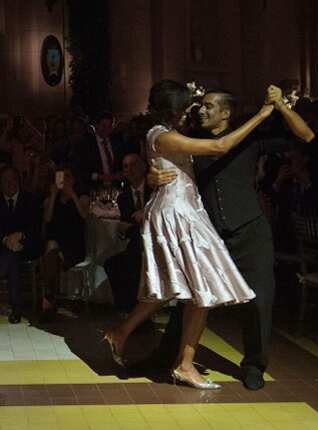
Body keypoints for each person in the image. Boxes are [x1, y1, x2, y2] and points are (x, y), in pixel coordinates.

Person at [102, 80, 277, 390]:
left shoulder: (166, 132)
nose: (192, 112)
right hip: (178, 214)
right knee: (199, 289)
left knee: (177, 289)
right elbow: (219, 146)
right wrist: (262, 114)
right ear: (173, 111)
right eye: (187, 108)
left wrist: (154, 173)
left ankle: (128, 336)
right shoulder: (164, 135)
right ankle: (180, 363)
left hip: (183, 210)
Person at [146, 86, 316, 390]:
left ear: (226, 112)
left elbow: (306, 137)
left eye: (209, 106)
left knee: (259, 300)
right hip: (209, 233)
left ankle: (254, 366)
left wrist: (281, 107)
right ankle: (166, 356)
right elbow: (162, 163)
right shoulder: (193, 141)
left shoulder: (249, 137)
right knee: (192, 297)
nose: (201, 110)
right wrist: (152, 176)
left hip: (250, 230)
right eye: (200, 106)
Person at [0, 166, 43, 324]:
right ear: (1, 184)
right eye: (5, 180)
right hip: (7, 247)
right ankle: (16, 309)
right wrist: (7, 240)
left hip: (27, 245)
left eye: (12, 179)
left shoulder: (30, 200)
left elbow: (35, 227)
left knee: (12, 256)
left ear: (18, 181)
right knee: (12, 258)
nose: (10, 183)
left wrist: (20, 236)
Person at [104, 153, 152, 314]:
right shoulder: (123, 198)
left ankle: (135, 312)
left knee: (131, 262)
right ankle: (127, 310)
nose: (129, 170)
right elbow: (127, 227)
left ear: (143, 167)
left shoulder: (155, 189)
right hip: (137, 242)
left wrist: (144, 213)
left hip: (156, 240)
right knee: (112, 263)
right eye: (125, 167)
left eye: (133, 165)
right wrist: (131, 227)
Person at [39, 166, 88, 320]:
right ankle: (49, 301)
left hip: (74, 243)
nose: (64, 180)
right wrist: (54, 195)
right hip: (55, 243)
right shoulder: (50, 199)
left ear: (73, 179)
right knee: (52, 249)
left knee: (51, 253)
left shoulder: (81, 197)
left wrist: (72, 194)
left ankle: (48, 301)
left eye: (68, 177)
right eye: (61, 177)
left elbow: (84, 215)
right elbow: (47, 219)